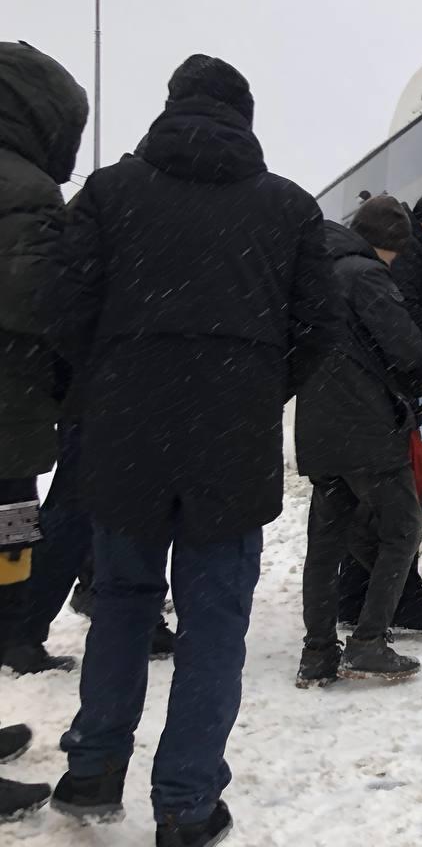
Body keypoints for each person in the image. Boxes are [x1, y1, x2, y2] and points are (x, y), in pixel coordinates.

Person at [48, 54, 336, 846]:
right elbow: (321, 326)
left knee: (122, 602)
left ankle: (92, 770)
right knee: (214, 622)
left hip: (126, 435)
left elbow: (64, 304)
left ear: (169, 108)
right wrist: (252, 386)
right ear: (245, 116)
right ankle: (184, 804)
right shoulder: (287, 207)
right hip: (229, 441)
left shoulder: (110, 192)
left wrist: (105, 388)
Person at [0, 41, 88, 823]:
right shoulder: (24, 191)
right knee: (7, 546)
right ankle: (19, 631)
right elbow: (40, 307)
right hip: (5, 419)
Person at [295, 195, 422, 686]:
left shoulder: (315, 269)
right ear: (389, 244)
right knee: (403, 530)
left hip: (318, 425)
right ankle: (369, 643)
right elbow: (408, 347)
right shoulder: (366, 273)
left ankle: (317, 655)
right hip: (367, 427)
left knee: (325, 542)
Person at [334, 189, 422, 636]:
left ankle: (353, 600)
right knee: (402, 509)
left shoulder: (385, 260)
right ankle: (399, 605)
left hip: (373, 400)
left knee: (371, 510)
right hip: (387, 400)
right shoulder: (406, 257)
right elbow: (406, 320)